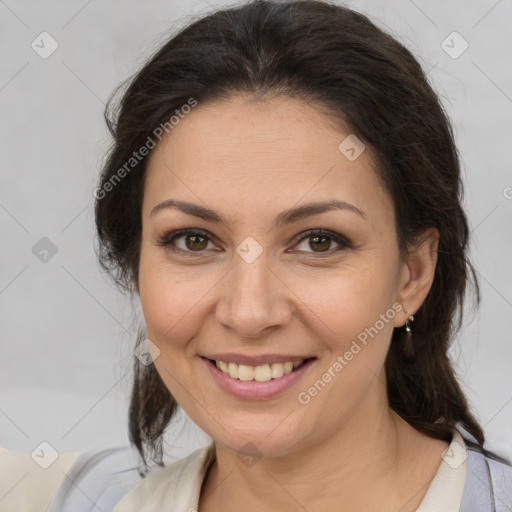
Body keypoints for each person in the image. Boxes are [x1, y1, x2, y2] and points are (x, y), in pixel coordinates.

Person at [1, 0, 510, 510]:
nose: (248, 313)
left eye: (318, 241)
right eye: (193, 240)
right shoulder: (58, 498)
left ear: (412, 274)